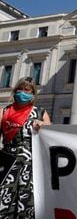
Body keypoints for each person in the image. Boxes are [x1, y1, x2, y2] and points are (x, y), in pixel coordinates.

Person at [0, 77, 51, 219]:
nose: (23, 92)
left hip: (32, 165)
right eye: (20, 89)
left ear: (33, 94)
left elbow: (52, 136)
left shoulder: (41, 113)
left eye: (27, 90)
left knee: (28, 205)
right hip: (8, 164)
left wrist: (43, 127)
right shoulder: (4, 112)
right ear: (15, 91)